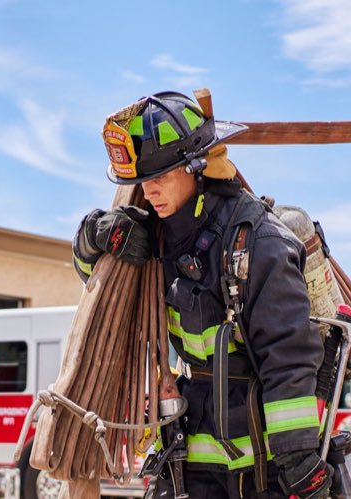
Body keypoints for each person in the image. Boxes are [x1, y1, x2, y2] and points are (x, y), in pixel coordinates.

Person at [73, 91, 331, 499]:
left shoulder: (258, 243)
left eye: (160, 177)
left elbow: (288, 355)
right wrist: (92, 238)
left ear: (195, 168)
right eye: (143, 181)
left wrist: (296, 457)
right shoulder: (154, 237)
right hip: (188, 458)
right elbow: (100, 291)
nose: (150, 191)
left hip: (259, 468)